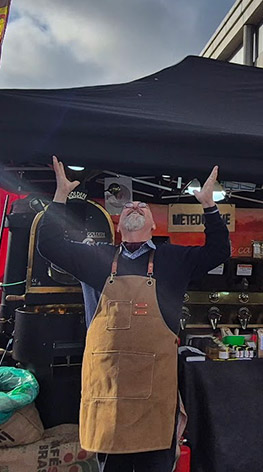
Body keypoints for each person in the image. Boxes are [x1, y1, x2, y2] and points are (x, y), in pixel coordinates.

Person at [38, 156, 231, 472]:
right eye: (128, 206)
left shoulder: (173, 259)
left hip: (155, 401)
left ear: (154, 225)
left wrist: (209, 206)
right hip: (108, 397)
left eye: (143, 207)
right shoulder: (96, 257)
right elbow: (49, 245)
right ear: (118, 223)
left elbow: (218, 252)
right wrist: (60, 197)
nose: (135, 207)